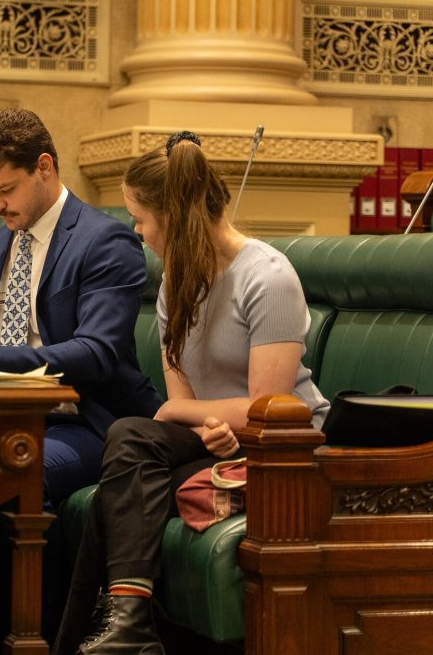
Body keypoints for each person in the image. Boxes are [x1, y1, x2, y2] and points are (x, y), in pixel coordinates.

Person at [53, 131, 330, 654]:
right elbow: (178, 402)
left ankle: (107, 632)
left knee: (121, 474)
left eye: (140, 218)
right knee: (127, 447)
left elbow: (268, 410)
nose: (136, 232)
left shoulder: (267, 276)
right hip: (214, 439)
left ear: (175, 215)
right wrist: (200, 422)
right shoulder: (175, 279)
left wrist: (190, 414)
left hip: (284, 450)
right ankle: (127, 626)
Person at [0, 108, 161, 507]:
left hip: (84, 422)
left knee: (0, 474)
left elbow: (97, 353)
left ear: (44, 167)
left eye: (6, 190)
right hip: (4, 419)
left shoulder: (104, 241)